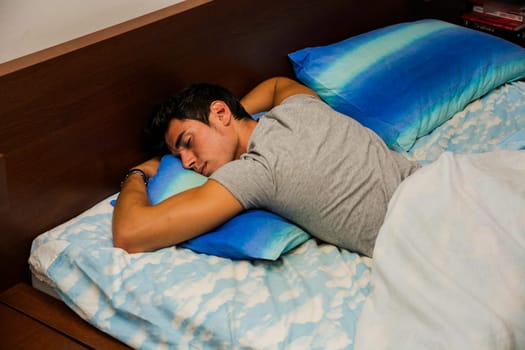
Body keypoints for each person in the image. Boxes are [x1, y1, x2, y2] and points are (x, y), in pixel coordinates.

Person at [112, 77, 420, 257]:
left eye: (188, 141)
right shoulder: (302, 107)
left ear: (219, 113)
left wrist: (137, 174)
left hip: (422, 225)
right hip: (437, 183)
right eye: (178, 157)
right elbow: (277, 84)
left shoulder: (255, 172)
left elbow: (130, 233)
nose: (188, 162)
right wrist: (233, 116)